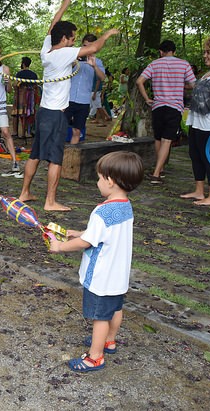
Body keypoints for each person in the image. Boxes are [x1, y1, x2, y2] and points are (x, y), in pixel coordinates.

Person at [18, 0, 119, 211]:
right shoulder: (63, 54)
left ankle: (25, 192)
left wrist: (65, 3)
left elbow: (52, 26)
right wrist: (107, 35)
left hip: (44, 111)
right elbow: (93, 48)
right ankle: (50, 202)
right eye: (72, 38)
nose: (74, 41)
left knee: (36, 154)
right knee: (55, 158)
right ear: (65, 39)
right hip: (55, 114)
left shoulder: (47, 50)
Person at [49, 151, 144, 372]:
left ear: (110, 182)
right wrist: (81, 231)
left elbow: (86, 243)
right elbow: (104, 234)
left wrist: (60, 246)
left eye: (100, 178)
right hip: (118, 275)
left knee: (100, 317)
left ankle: (95, 356)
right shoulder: (125, 207)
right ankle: (109, 341)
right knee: (115, 309)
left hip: (101, 277)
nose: (98, 182)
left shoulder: (102, 212)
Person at [136, 40, 196, 185]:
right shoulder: (184, 64)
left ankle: (160, 168)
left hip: (158, 106)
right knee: (167, 140)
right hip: (175, 106)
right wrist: (182, 86)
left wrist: (147, 98)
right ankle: (157, 173)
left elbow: (139, 81)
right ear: (174, 51)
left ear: (161, 51)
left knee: (158, 138)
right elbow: (193, 84)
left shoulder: (155, 64)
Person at [180, 35, 210, 206]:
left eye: (209, 52)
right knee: (195, 155)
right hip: (196, 122)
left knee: (208, 156)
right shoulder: (208, 73)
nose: (205, 55)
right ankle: (199, 191)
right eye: (205, 52)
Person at [65, 34, 106, 144]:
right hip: (67, 99)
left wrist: (94, 66)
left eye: (90, 46)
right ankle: (56, 155)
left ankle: (71, 155)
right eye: (84, 46)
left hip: (83, 101)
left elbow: (102, 78)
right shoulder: (73, 58)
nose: (87, 49)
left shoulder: (98, 62)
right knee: (60, 128)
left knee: (77, 130)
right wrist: (72, 63)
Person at [11, 56, 39, 139]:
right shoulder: (34, 75)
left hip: (21, 96)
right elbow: (36, 86)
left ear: (23, 64)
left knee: (16, 113)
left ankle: (15, 132)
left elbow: (16, 84)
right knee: (29, 114)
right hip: (31, 99)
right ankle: (28, 132)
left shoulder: (20, 73)